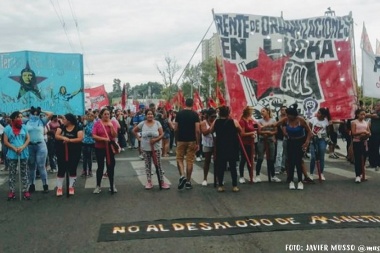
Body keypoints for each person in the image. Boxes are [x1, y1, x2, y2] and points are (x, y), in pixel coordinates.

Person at [277, 104, 312, 190]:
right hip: (290, 141)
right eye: (287, 114)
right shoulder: (286, 120)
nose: (288, 116)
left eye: (289, 114)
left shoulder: (301, 120)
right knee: (291, 161)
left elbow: (309, 132)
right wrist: (263, 126)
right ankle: (291, 180)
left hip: (300, 141)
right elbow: (276, 124)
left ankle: (300, 181)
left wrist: (307, 142)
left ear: (294, 114)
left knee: (298, 161)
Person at [133, 109, 169, 189]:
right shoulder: (142, 124)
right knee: (147, 165)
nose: (150, 115)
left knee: (158, 165)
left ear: (153, 115)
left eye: (151, 114)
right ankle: (149, 182)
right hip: (145, 148)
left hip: (156, 148)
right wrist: (139, 138)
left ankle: (162, 182)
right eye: (148, 114)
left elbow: (162, 134)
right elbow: (134, 131)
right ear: (146, 115)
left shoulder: (157, 123)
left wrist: (155, 140)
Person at [21, 106, 53, 193]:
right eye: (33, 112)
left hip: (40, 145)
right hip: (30, 146)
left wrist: (41, 110)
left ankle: (45, 185)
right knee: (31, 167)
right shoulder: (26, 121)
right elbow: (17, 114)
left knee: (41, 166)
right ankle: (32, 185)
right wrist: (27, 109)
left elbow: (51, 114)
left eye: (36, 113)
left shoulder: (42, 121)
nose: (35, 114)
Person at [211, 106, 242, 192]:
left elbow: (210, 130)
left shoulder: (216, 122)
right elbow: (241, 131)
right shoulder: (234, 121)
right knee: (233, 167)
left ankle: (220, 185)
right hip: (232, 146)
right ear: (228, 113)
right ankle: (234, 186)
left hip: (221, 146)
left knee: (221, 166)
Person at [173, 98, 200, 190]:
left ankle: (182, 176)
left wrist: (176, 140)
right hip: (192, 140)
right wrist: (198, 142)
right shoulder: (195, 115)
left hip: (181, 139)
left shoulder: (179, 114)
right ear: (192, 104)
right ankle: (188, 182)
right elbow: (197, 130)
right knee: (190, 161)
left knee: (179, 159)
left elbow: (176, 128)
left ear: (185, 104)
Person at [3, 111, 31, 200]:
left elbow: (28, 139)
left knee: (24, 173)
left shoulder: (24, 127)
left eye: (21, 117)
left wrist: (22, 147)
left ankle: (26, 191)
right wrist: (14, 148)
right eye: (18, 117)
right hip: (12, 154)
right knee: (12, 173)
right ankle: (12, 191)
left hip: (23, 153)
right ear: (14, 118)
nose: (20, 118)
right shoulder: (7, 129)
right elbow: (6, 142)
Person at [54, 113, 83, 196]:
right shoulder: (62, 127)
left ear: (69, 120)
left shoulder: (78, 127)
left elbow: (80, 138)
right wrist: (64, 138)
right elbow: (57, 135)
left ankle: (71, 187)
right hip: (62, 151)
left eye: (64, 119)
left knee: (73, 168)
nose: (63, 121)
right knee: (61, 168)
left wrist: (69, 140)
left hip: (74, 151)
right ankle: (59, 188)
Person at [92, 108, 118, 194]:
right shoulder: (97, 123)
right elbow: (94, 135)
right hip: (99, 147)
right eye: (105, 114)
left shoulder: (113, 122)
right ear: (101, 115)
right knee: (100, 166)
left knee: (110, 166)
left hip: (110, 148)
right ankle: (98, 185)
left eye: (108, 114)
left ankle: (112, 185)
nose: (107, 115)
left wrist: (111, 127)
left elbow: (114, 135)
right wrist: (103, 139)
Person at [256, 107, 281, 183]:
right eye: (261, 111)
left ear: (267, 112)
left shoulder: (273, 120)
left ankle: (273, 175)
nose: (262, 112)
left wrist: (271, 133)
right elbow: (259, 131)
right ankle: (257, 175)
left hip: (270, 140)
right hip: (262, 140)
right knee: (260, 158)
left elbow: (276, 131)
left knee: (271, 159)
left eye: (263, 111)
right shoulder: (259, 121)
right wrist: (266, 133)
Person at [308, 107, 331, 181]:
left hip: (322, 140)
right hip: (313, 140)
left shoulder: (326, 121)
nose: (317, 114)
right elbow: (309, 129)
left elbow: (328, 131)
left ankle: (321, 173)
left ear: (323, 115)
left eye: (319, 113)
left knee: (321, 156)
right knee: (313, 157)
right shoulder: (313, 120)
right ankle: (311, 173)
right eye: (318, 112)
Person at [238, 106, 257, 184]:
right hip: (244, 143)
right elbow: (242, 134)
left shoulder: (250, 120)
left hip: (251, 142)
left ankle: (251, 176)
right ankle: (241, 176)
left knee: (251, 159)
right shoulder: (242, 121)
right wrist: (251, 133)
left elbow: (254, 128)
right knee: (243, 159)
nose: (252, 113)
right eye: (251, 111)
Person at [351, 109, 371, 183]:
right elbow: (353, 133)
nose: (363, 116)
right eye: (361, 114)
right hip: (357, 142)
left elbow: (369, 132)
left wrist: (367, 135)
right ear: (357, 115)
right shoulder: (354, 122)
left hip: (365, 142)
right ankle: (357, 175)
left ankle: (362, 173)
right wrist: (362, 132)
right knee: (358, 158)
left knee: (364, 158)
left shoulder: (366, 123)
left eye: (364, 114)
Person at [200, 108, 217, 186]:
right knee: (207, 161)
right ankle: (205, 178)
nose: (213, 118)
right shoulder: (203, 122)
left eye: (215, 116)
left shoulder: (216, 121)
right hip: (207, 143)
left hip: (216, 143)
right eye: (212, 116)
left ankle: (218, 178)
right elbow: (204, 133)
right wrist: (212, 127)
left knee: (217, 161)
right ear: (208, 116)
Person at [81, 112, 95, 177]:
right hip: (84, 142)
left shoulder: (94, 124)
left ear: (93, 117)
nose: (89, 117)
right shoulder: (85, 123)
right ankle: (84, 170)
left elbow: (91, 132)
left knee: (89, 157)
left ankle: (90, 170)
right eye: (88, 116)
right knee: (84, 157)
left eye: (91, 116)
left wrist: (85, 127)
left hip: (91, 142)